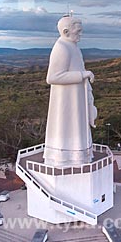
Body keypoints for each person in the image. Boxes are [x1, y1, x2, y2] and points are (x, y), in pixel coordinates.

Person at [43, 14, 98, 167]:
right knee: (65, 126)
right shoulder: (61, 48)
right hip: (65, 99)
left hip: (75, 97)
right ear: (66, 32)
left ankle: (78, 156)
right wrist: (82, 75)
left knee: (76, 125)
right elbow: (53, 77)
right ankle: (65, 157)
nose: (80, 34)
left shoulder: (72, 46)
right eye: (77, 31)